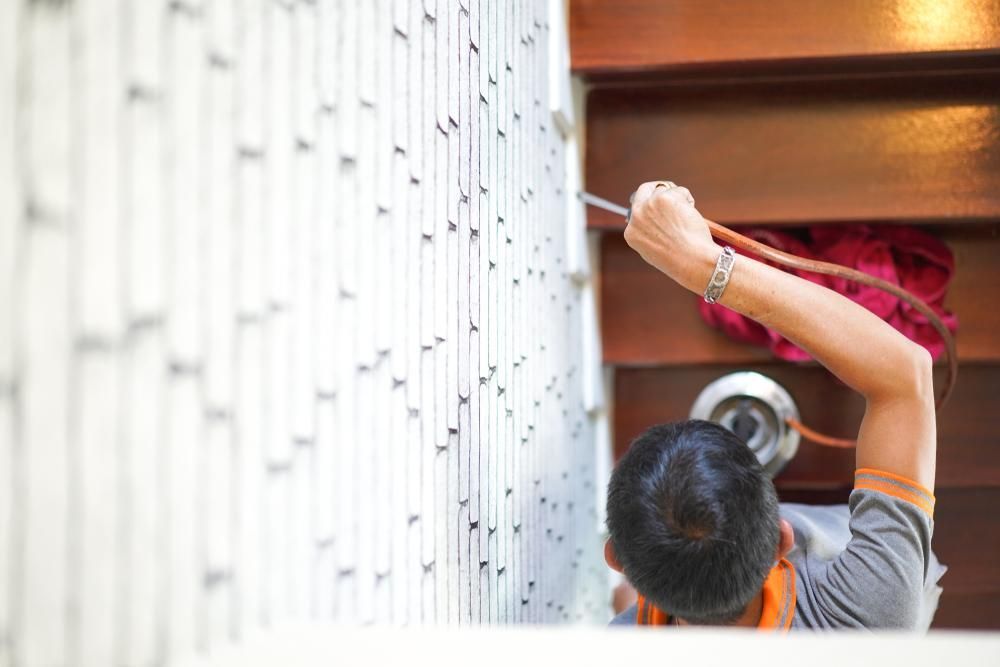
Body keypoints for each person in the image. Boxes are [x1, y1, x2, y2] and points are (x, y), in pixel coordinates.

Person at [606, 181, 944, 630]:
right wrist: (703, 266)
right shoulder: (876, 609)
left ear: (616, 559)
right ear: (781, 540)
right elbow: (905, 375)